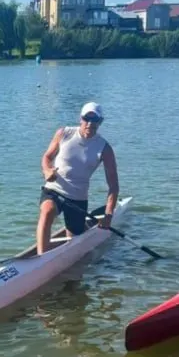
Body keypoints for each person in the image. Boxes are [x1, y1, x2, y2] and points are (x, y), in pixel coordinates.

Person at [37, 102, 120, 255]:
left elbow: (113, 186)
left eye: (95, 120)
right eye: (86, 119)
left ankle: (84, 230)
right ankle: (41, 257)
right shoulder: (64, 133)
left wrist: (109, 214)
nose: (90, 124)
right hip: (54, 190)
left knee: (75, 238)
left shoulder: (105, 148)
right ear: (80, 118)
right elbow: (47, 157)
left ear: (100, 122)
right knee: (47, 211)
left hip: (77, 198)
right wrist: (47, 170)